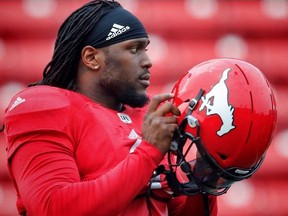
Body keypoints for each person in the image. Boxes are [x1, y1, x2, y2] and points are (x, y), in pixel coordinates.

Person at [3, 1, 217, 215]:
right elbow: (52, 207)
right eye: (134, 49)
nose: (147, 61)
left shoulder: (150, 116)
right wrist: (148, 151)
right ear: (91, 58)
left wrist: (206, 174)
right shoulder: (42, 109)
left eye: (146, 49)